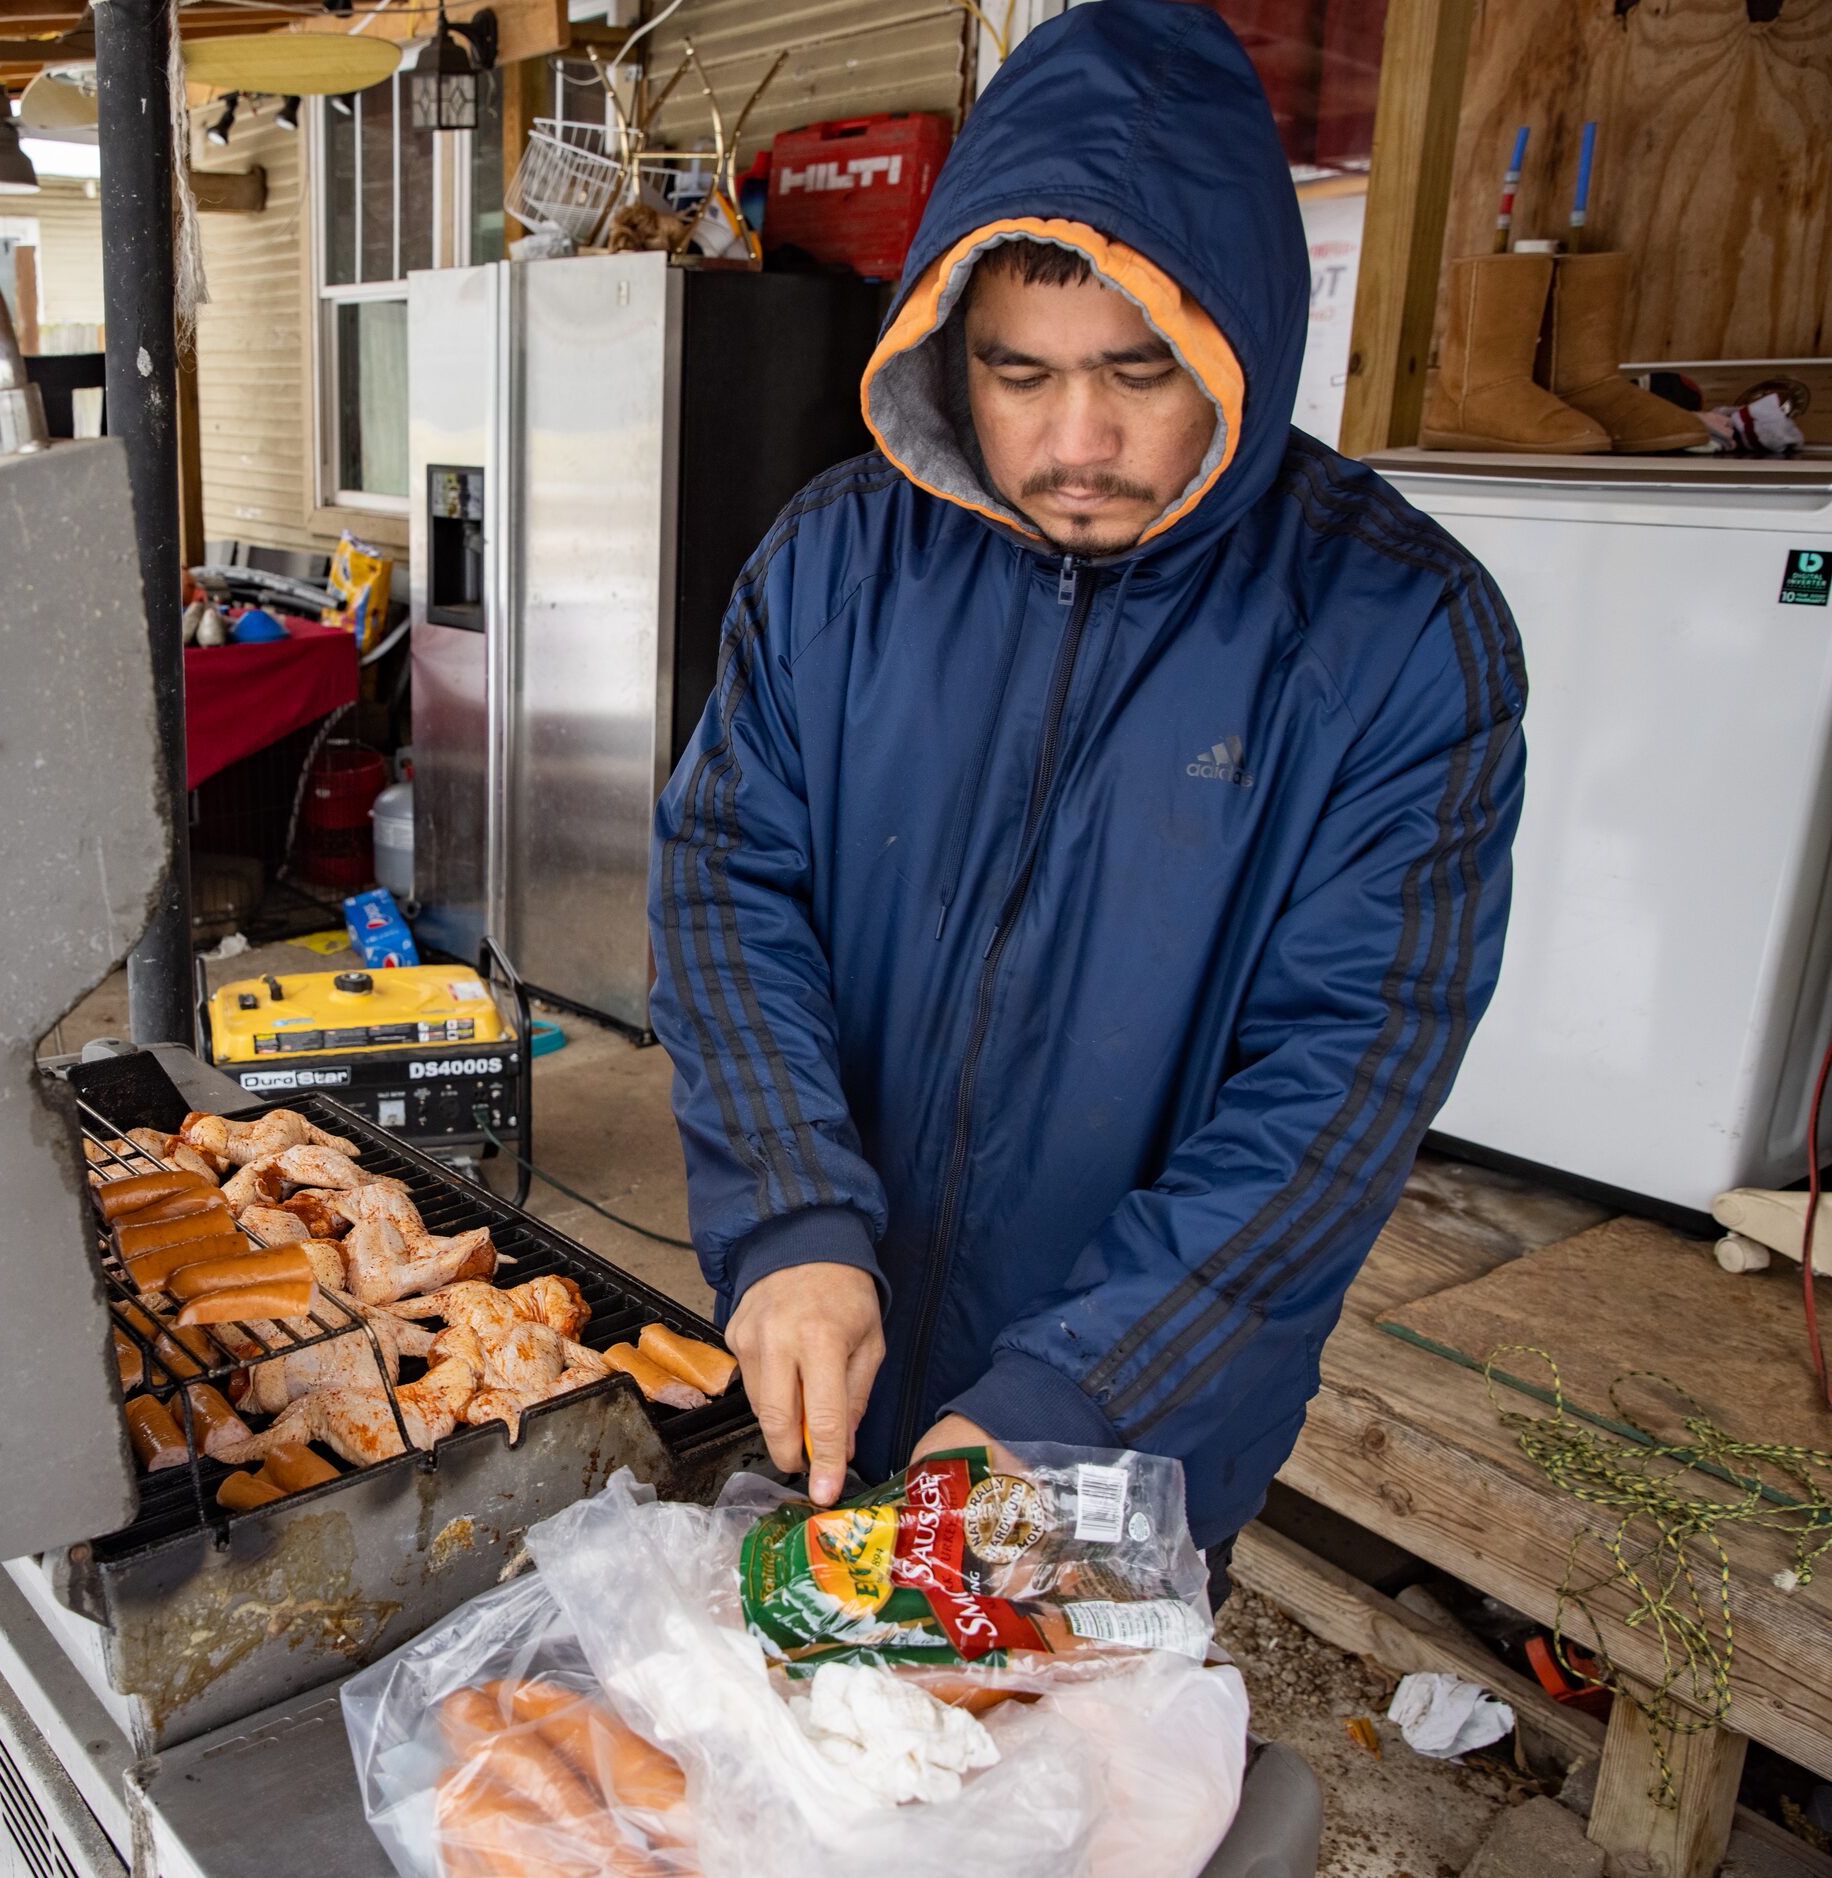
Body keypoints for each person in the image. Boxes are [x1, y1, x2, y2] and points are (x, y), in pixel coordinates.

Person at [648, 0, 1525, 1565]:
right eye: (1016, 372)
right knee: (804, 1753)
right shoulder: (839, 562)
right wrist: (788, 1210)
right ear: (942, 343)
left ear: (1242, 336)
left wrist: (1073, 1394)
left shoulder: (1400, 637)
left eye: (1139, 371)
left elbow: (1336, 1087)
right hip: (826, 1359)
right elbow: (727, 887)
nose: (1077, 441)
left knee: (1048, 1780)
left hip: (1133, 1416)